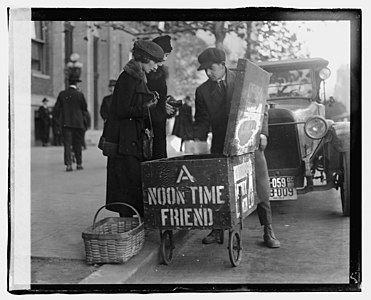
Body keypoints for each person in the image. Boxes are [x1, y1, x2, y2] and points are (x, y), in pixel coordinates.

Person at [193, 47, 281, 248]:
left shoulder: (245, 80)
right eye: (205, 70)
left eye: (211, 68)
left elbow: (261, 108)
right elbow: (201, 121)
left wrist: (263, 133)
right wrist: (196, 141)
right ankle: (217, 229)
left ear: (223, 65)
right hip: (220, 145)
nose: (208, 73)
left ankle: (268, 230)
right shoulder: (202, 91)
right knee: (218, 187)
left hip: (249, 140)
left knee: (260, 185)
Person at [100, 39, 164, 217]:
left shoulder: (136, 76)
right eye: (155, 62)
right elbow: (122, 110)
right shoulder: (129, 78)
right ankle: (128, 223)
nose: (156, 67)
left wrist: (148, 101)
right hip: (125, 142)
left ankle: (131, 222)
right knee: (127, 182)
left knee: (129, 182)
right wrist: (147, 107)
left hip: (130, 140)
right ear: (144, 58)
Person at [146, 35, 176, 159]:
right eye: (164, 55)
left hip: (159, 119)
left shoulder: (160, 71)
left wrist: (168, 102)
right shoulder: (147, 71)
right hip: (149, 120)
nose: (165, 59)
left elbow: (161, 94)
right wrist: (161, 104)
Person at [54, 74, 88, 172]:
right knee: (77, 143)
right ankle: (79, 163)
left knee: (67, 144)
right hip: (78, 123)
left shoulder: (62, 94)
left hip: (66, 123)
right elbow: (84, 108)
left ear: (68, 83)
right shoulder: (80, 94)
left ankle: (68, 165)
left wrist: (58, 120)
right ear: (76, 84)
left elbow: (56, 109)